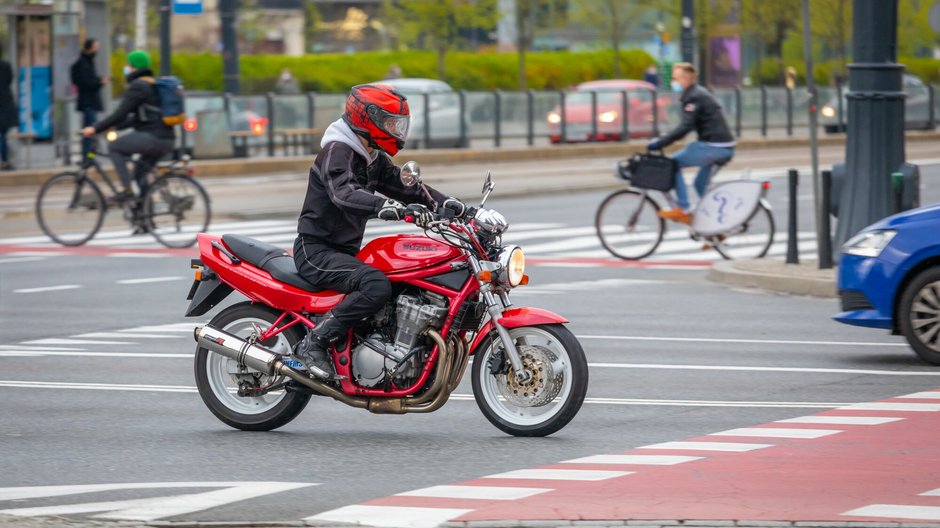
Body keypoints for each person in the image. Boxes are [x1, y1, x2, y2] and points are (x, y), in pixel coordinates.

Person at [292, 83, 465, 379]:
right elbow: (343, 193)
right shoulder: (337, 151)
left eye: (397, 123)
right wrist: (387, 206)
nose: (395, 129)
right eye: (389, 122)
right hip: (316, 251)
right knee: (375, 285)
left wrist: (454, 206)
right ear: (366, 117)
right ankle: (313, 343)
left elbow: (407, 187)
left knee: (399, 283)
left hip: (343, 251)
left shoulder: (371, 158)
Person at [82, 50, 175, 204]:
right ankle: (144, 220)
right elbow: (137, 118)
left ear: (134, 67)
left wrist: (95, 128)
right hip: (167, 139)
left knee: (115, 146)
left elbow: (120, 113)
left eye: (128, 65)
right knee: (140, 175)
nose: (125, 67)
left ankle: (127, 190)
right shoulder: (152, 84)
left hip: (153, 138)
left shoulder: (138, 86)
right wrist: (115, 128)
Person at [647, 62, 735, 224]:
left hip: (715, 146)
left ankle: (683, 208)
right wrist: (666, 138)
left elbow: (685, 127)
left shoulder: (693, 96)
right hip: (721, 145)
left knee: (673, 163)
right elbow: (687, 125)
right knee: (700, 184)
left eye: (675, 78)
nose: (673, 81)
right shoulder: (695, 93)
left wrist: (661, 143)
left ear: (686, 79)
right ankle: (718, 225)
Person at [71, 38, 109, 161]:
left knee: (90, 132)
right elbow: (85, 83)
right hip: (88, 103)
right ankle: (88, 158)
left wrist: (99, 80)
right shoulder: (83, 63)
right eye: (95, 47)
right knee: (89, 132)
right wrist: (100, 82)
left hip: (90, 103)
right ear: (89, 48)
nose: (97, 50)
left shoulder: (88, 62)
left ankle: (89, 157)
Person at [0, 43, 16, 171]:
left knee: (2, 136)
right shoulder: (6, 66)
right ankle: (5, 160)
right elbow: (10, 80)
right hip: (5, 102)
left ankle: (5, 159)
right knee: (3, 134)